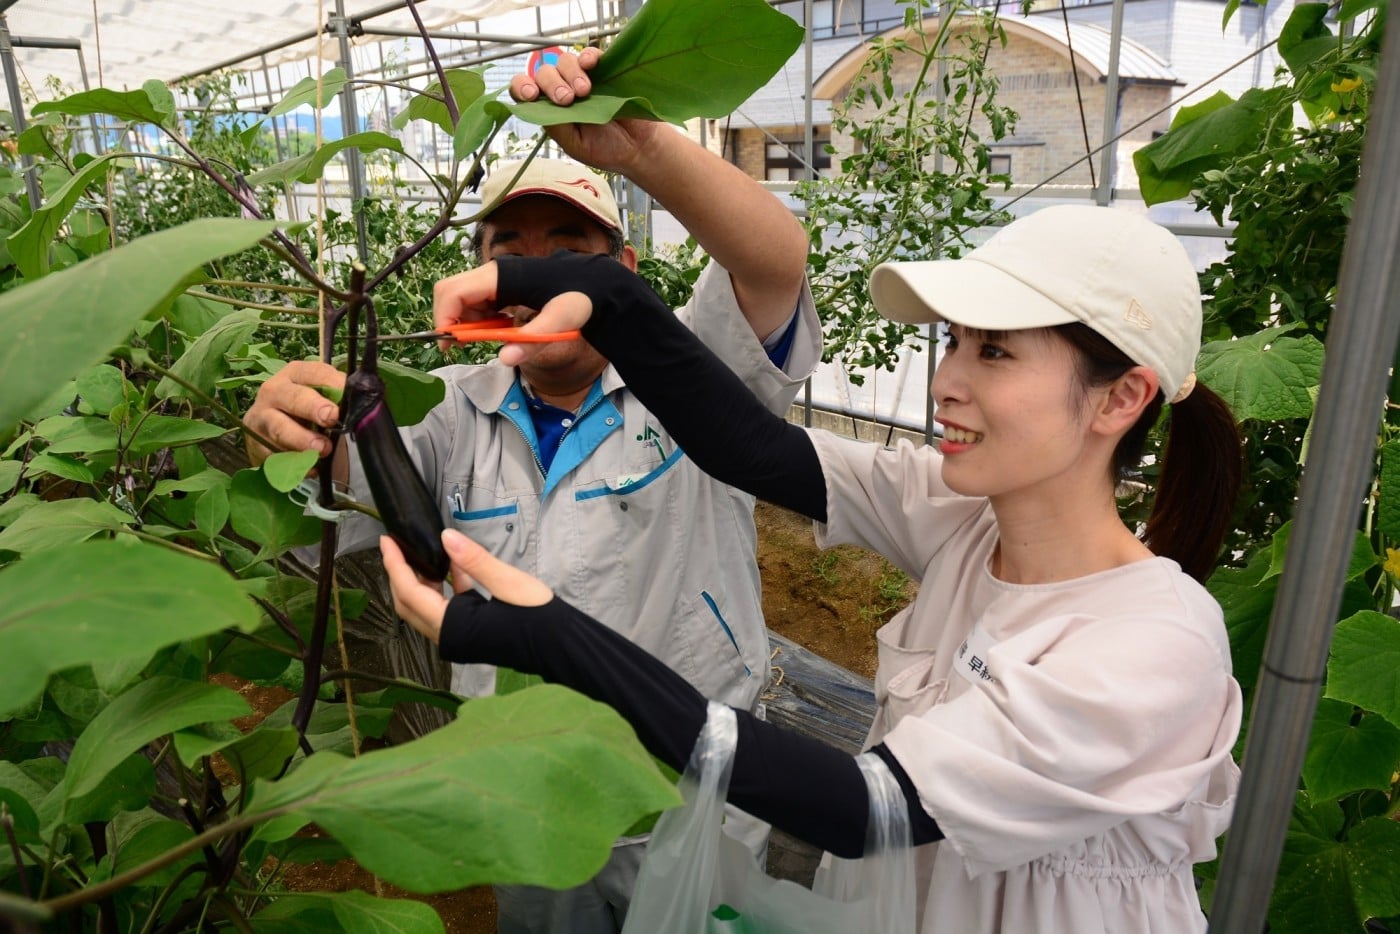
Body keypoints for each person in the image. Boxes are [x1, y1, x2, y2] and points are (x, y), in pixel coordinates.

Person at [385, 205, 1246, 932]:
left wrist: (563, 642)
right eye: (954, 344)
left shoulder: (1152, 647)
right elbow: (753, 449)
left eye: (996, 353)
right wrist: (614, 302)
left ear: (1121, 397)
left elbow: (864, 804)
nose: (945, 380)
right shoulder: (965, 521)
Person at [243, 48, 820, 934]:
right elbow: (324, 511)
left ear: (619, 270)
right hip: (523, 781)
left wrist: (639, 150)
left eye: (569, 256)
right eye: (510, 254)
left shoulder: (693, 381)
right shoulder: (446, 412)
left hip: (688, 773)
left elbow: (777, 263)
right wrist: (288, 441)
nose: (536, 278)